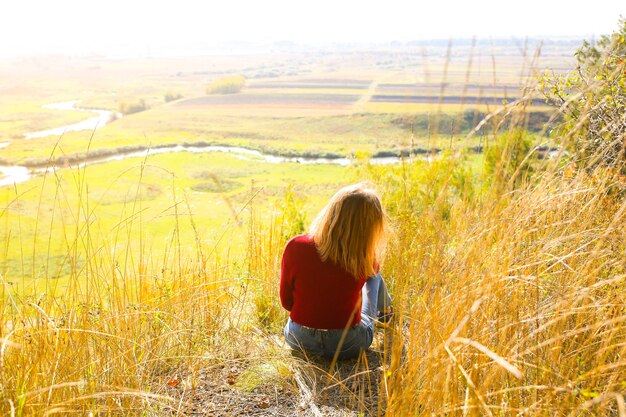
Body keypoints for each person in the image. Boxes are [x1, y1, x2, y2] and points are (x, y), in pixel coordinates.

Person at [280, 183, 392, 359]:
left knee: (372, 271)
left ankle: (386, 311)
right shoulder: (364, 258)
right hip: (349, 344)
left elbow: (287, 303)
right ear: (371, 228)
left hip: (299, 340)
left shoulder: (295, 246)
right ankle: (386, 312)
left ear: (331, 212)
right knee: (374, 275)